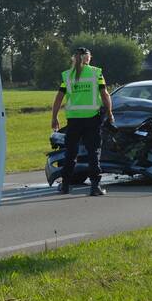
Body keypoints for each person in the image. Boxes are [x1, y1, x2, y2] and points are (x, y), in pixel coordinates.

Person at [50, 47, 115, 195]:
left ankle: (65, 185)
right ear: (88, 58)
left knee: (71, 153)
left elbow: (59, 98)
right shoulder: (96, 73)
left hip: (73, 119)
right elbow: (105, 94)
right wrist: (110, 113)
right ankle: (95, 186)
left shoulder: (67, 75)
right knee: (93, 152)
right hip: (92, 118)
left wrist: (54, 117)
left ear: (74, 58)